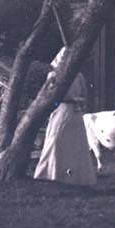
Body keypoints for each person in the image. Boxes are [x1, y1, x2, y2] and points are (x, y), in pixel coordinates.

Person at [33, 49, 97, 186]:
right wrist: (70, 99)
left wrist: (80, 102)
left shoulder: (78, 76)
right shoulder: (54, 75)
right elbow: (50, 95)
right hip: (60, 109)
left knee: (76, 143)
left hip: (75, 111)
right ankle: (51, 173)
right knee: (56, 139)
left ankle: (77, 178)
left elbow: (84, 94)